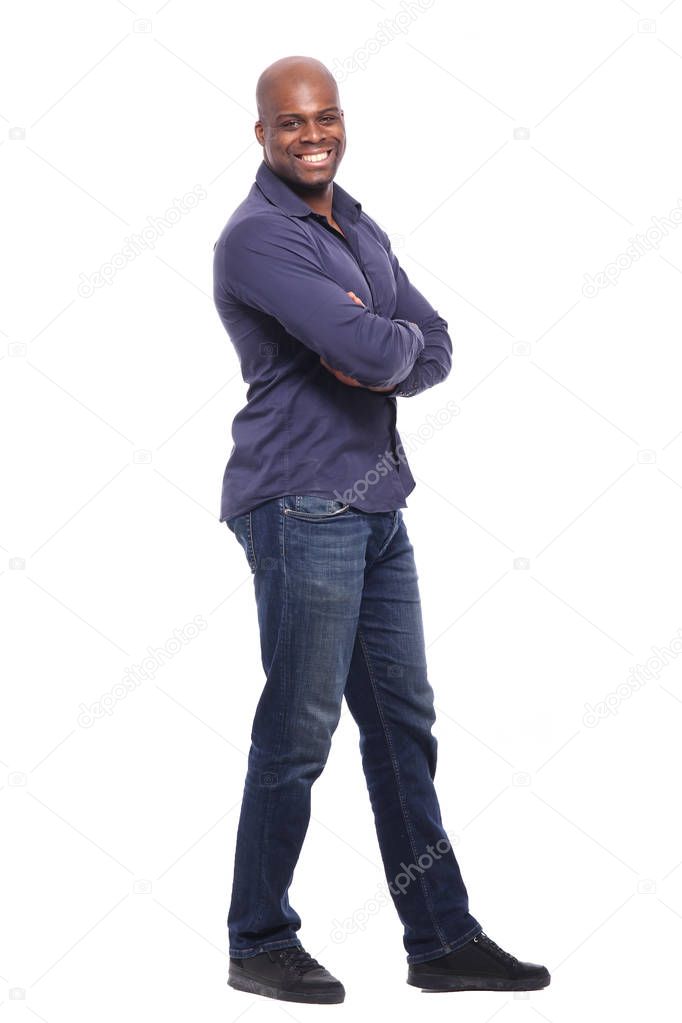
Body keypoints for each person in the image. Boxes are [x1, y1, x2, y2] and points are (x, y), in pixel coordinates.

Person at [212, 54, 550, 1004]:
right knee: (300, 727)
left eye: (324, 117)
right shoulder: (253, 240)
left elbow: (428, 339)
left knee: (402, 727)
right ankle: (259, 938)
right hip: (298, 501)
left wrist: (382, 347)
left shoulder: (355, 222)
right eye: (290, 123)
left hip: (377, 499)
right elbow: (368, 343)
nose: (311, 135)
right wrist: (374, 343)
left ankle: (439, 938)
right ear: (262, 134)